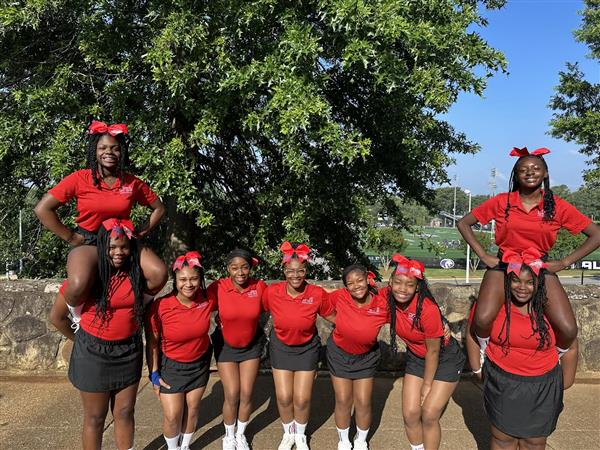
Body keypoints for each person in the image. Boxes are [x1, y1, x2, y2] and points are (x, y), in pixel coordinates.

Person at [457, 147, 599, 363]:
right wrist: (484, 255)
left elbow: (596, 235)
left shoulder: (556, 205)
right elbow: (463, 223)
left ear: (545, 173)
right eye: (523, 169)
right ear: (516, 174)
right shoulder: (502, 201)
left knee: (568, 329)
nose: (530, 172)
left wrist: (563, 262)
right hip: (505, 263)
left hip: (538, 267)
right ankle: (486, 352)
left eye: (536, 168)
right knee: (483, 319)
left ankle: (552, 359)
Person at [34, 120, 167, 323]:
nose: (109, 152)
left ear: (121, 151)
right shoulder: (80, 178)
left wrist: (140, 233)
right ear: (94, 151)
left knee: (159, 273)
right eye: (102, 148)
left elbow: (159, 208)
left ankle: (138, 309)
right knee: (78, 284)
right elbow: (43, 209)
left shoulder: (131, 182)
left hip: (122, 242)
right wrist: (70, 236)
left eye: (115, 148)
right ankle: (78, 317)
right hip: (90, 241)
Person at [466, 249, 578, 450]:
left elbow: (570, 343)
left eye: (530, 282)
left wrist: (563, 383)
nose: (522, 288)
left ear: (539, 284)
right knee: (503, 439)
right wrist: (477, 369)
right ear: (506, 281)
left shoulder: (550, 309)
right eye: (516, 280)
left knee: (534, 442)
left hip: (542, 384)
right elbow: (472, 333)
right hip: (503, 382)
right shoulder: (494, 306)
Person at [62, 218, 158, 450]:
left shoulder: (136, 275)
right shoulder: (89, 278)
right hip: (93, 353)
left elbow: (158, 274)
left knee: (125, 412)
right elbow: (57, 317)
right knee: (95, 418)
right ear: (101, 246)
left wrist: (136, 241)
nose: (118, 252)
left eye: (124, 246)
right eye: (112, 247)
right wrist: (81, 340)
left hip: (128, 350)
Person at [384, 254, 465, 450]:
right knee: (410, 413)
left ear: (418, 287)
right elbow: (359, 296)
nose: (402, 289)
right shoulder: (385, 298)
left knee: (429, 413)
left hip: (445, 358)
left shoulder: (427, 309)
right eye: (398, 282)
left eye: (409, 285)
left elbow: (433, 352)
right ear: (390, 282)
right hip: (417, 357)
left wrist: (427, 386)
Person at [262, 242, 336, 450]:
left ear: (306, 271)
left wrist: (358, 327)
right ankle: (289, 434)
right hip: (281, 347)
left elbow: (333, 316)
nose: (296, 275)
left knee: (302, 399)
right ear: (284, 271)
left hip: (307, 349)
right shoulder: (272, 291)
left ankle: (301, 435)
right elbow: (254, 308)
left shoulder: (316, 293)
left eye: (300, 270)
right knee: (285, 397)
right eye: (291, 271)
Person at [146, 251, 215, 450]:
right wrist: (154, 374)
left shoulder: (207, 300)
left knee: (192, 410)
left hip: (199, 363)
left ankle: (184, 447)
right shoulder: (161, 306)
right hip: (171, 366)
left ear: (200, 279)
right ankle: (172, 448)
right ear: (175, 280)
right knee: (172, 415)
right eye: (182, 279)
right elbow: (152, 342)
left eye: (194, 278)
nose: (188, 284)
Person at [207, 249, 267, 450]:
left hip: (251, 345)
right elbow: (198, 304)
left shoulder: (259, 287)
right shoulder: (218, 287)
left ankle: (241, 435)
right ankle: (229, 435)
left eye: (244, 267)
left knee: (247, 393)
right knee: (232, 393)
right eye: (235, 268)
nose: (240, 272)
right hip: (226, 347)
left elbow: (279, 302)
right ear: (228, 269)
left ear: (250, 268)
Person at [326, 265, 388, 450]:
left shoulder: (381, 303)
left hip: (366, 357)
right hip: (339, 354)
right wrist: (341, 323)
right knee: (343, 399)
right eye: (350, 283)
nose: (356, 286)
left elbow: (404, 315)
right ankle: (344, 441)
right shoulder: (339, 297)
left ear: (368, 279)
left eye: (359, 280)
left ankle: (361, 441)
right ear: (345, 287)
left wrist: (442, 323)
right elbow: (319, 302)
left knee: (362, 401)